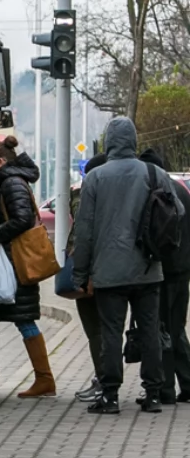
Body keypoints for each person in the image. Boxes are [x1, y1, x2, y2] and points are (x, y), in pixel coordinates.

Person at [73, 117, 185, 414]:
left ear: (109, 142)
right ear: (134, 141)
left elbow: (84, 231)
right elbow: (179, 211)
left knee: (111, 332)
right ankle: (154, 394)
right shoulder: (153, 172)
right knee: (149, 330)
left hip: (109, 271)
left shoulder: (95, 178)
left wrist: (80, 273)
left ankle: (109, 395)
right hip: (148, 268)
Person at [0, 135, 54, 398]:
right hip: (14, 260)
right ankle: (44, 378)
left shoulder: (11, 182)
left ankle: (45, 378)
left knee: (24, 320)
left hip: (16, 260)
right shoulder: (11, 180)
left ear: (1, 161)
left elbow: (22, 219)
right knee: (23, 320)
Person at [138, 148, 190, 403]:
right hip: (183, 270)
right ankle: (188, 385)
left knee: (163, 329)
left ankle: (166, 388)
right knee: (177, 327)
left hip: (164, 271)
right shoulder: (181, 190)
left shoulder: (157, 192)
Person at [71, 152, 109, 402]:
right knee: (105, 330)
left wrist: (82, 275)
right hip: (111, 273)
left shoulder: (89, 196)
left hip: (92, 275)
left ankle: (104, 380)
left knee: (96, 331)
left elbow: (84, 237)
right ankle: (105, 380)